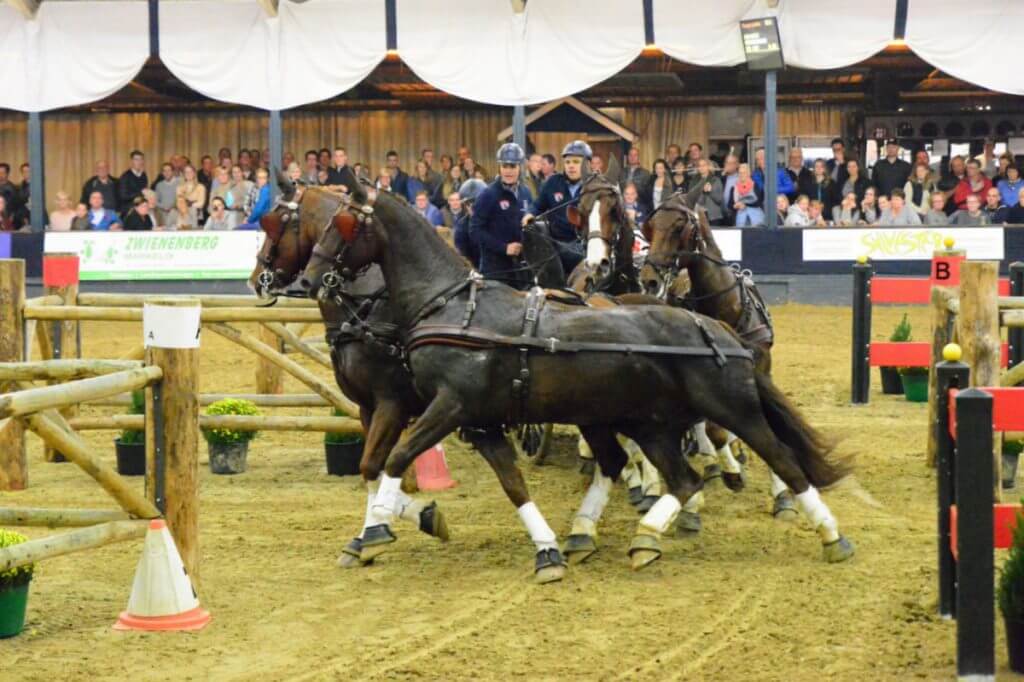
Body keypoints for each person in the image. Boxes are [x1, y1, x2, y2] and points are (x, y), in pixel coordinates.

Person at [523, 140, 593, 274]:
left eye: (576, 162)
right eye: (567, 162)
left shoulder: (596, 186)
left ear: (588, 164)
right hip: (557, 244)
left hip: (586, 246)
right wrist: (529, 214)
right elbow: (538, 205)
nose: (571, 166)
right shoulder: (553, 182)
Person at [471, 143, 534, 286]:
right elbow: (475, 231)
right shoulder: (487, 195)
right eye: (505, 166)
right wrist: (503, 248)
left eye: (513, 166)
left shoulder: (526, 193)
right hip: (495, 271)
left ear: (520, 167)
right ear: (499, 167)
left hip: (520, 270)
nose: (508, 171)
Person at [454, 178, 486, 267]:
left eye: (477, 202)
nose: (473, 207)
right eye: (468, 203)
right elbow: (464, 260)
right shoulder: (462, 228)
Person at [684, 158, 724, 225]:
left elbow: (719, 199)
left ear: (708, 166)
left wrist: (710, 191)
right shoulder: (693, 182)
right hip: (698, 216)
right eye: (699, 165)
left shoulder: (716, 180)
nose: (701, 167)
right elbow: (690, 198)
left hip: (713, 217)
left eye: (704, 165)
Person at [117, 150, 148, 215]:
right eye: (136, 159)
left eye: (141, 159)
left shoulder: (144, 175)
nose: (139, 162)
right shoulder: (125, 176)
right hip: (129, 211)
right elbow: (123, 196)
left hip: (141, 210)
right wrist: (140, 193)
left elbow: (145, 192)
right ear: (131, 161)